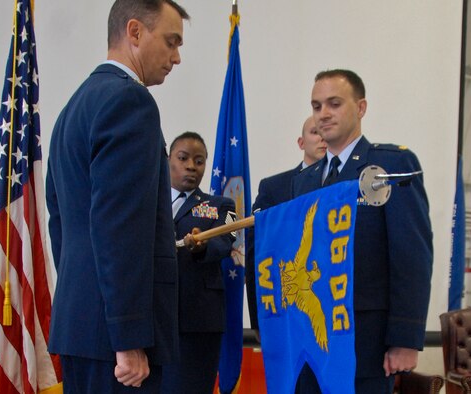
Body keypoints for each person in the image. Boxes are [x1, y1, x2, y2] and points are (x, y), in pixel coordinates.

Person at [45, 1, 189, 392]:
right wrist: (128, 337)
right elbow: (120, 227)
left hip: (82, 323)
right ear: (135, 32)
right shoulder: (131, 102)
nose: (176, 57)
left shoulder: (74, 108)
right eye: (171, 42)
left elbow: (59, 219)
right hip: (117, 340)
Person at [291, 69, 433, 393]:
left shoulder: (388, 165)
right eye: (316, 106)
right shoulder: (305, 180)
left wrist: (405, 339)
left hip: (366, 344)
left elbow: (411, 255)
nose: (323, 114)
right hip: (312, 342)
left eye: (334, 103)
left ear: (361, 107)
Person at [160, 132, 236, 394]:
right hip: (152, 317)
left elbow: (227, 239)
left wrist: (202, 246)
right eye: (183, 158)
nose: (191, 166)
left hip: (198, 321)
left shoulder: (220, 206)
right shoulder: (149, 202)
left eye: (199, 160)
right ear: (169, 159)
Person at [246, 115, 327, 330]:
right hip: (288, 307)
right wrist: (258, 319)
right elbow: (258, 253)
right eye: (315, 132)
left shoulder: (347, 185)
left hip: (335, 305)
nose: (323, 138)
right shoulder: (275, 187)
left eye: (325, 132)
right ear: (301, 143)